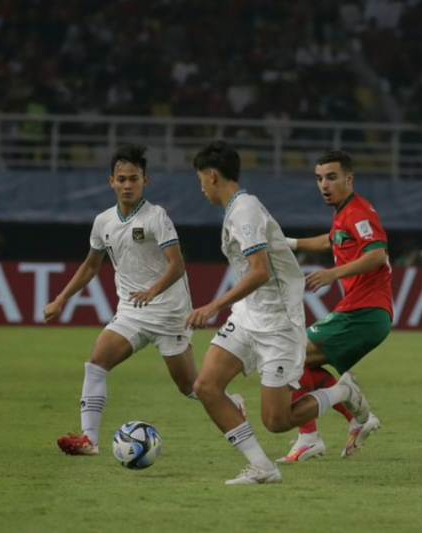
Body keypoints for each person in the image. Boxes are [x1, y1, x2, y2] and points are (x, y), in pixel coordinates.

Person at [188, 141, 369, 485]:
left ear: (212, 175)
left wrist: (213, 305)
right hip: (247, 316)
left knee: (277, 420)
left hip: (278, 325)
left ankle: (343, 392)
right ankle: (263, 467)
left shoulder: (244, 211)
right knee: (207, 386)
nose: (201, 187)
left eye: (201, 179)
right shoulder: (236, 209)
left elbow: (260, 272)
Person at [45, 144, 242, 456]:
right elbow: (90, 265)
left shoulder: (156, 217)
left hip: (169, 313)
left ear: (144, 181)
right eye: (121, 179)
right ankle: (89, 440)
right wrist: (60, 299)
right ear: (110, 181)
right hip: (131, 312)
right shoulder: (103, 221)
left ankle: (234, 403)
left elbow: (177, 265)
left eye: (133, 179)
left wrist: (152, 290)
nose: (127, 185)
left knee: (190, 388)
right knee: (95, 364)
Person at [278, 149, 392, 462]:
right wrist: (285, 243)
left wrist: (333, 273)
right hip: (361, 312)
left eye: (331, 177)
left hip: (364, 313)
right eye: (319, 179)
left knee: (291, 354)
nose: (324, 184)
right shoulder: (344, 214)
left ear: (349, 178)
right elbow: (331, 239)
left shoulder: (358, 213)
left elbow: (377, 254)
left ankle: (309, 437)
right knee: (305, 365)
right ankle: (357, 416)